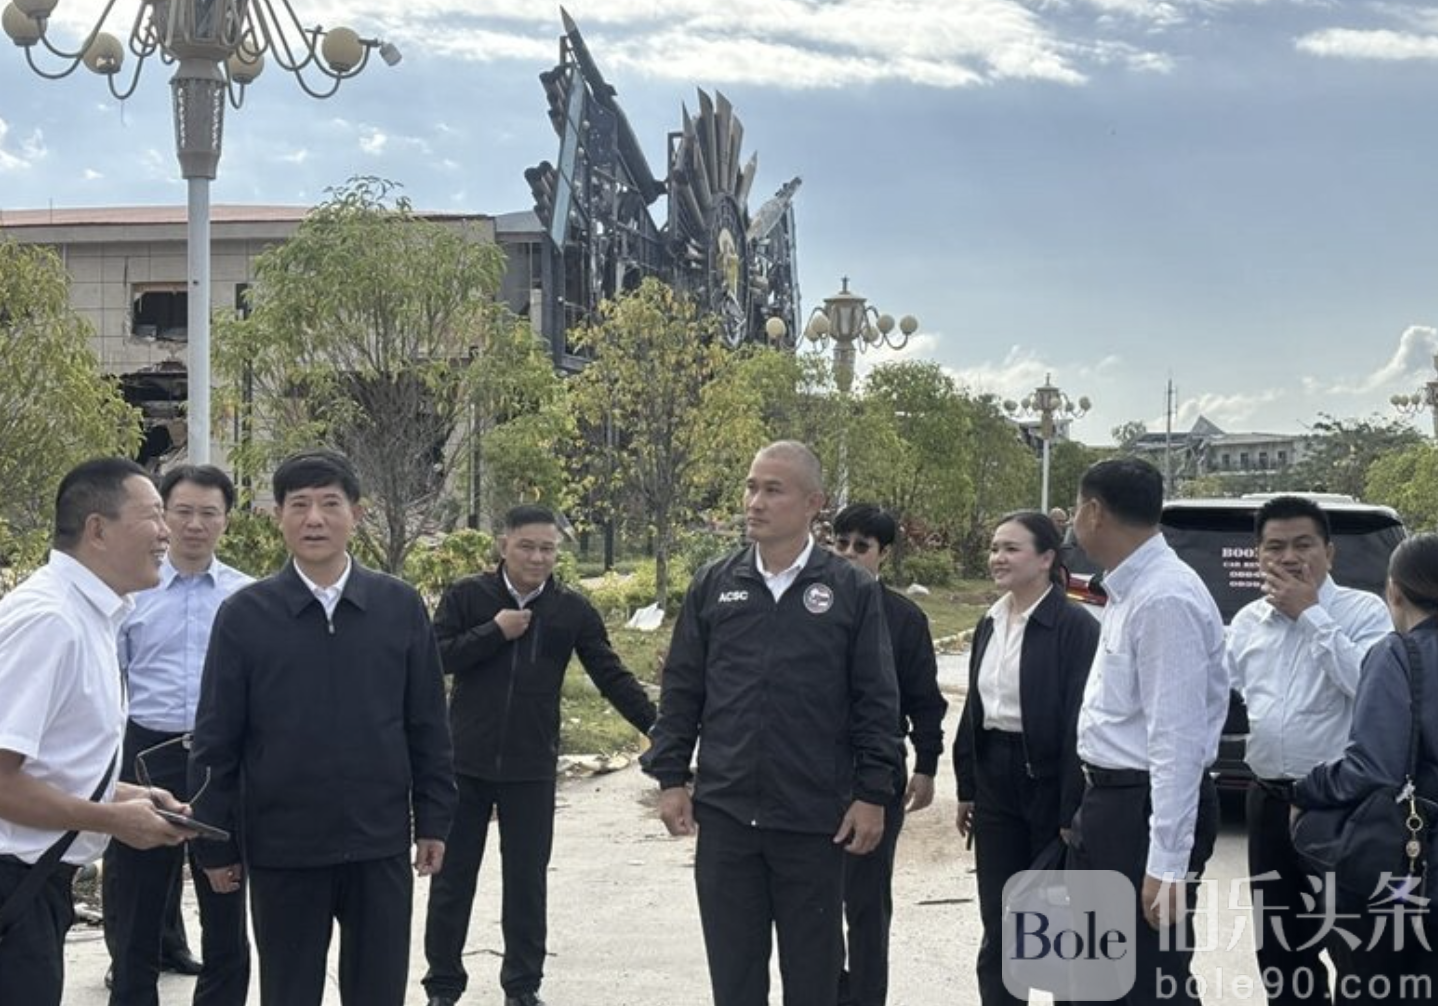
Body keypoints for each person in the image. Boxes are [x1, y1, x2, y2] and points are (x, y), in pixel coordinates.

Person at [187, 449, 456, 1006]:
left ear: (357, 513)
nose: (315, 519)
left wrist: (433, 819)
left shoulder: (399, 607)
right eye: (299, 504)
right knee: (288, 993)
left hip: (378, 843)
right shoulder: (245, 616)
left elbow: (428, 724)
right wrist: (215, 843)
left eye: (330, 504)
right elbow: (216, 740)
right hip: (283, 848)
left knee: (379, 992)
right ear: (277, 516)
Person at [642, 440, 902, 1006]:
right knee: (734, 980)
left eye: (772, 490)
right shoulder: (716, 582)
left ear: (813, 503)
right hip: (728, 815)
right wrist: (671, 779)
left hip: (814, 819)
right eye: (751, 487)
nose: (754, 502)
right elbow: (683, 689)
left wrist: (872, 794)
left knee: (813, 980)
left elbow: (876, 700)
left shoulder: (850, 589)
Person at [422, 504, 657, 1006]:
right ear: (503, 545)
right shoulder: (468, 596)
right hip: (463, 763)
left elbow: (610, 675)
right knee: (452, 880)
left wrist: (660, 729)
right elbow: (433, 657)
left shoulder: (571, 610)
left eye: (547, 548)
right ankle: (442, 985)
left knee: (526, 884)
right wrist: (495, 631)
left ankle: (522, 986)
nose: (537, 557)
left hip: (531, 767)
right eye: (526, 546)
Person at [0, 458, 196, 1006]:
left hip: (36, 885)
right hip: (13, 883)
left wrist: (130, 796)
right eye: (153, 515)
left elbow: (47, 766)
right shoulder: (50, 621)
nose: (167, 532)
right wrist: (112, 820)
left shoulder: (91, 617)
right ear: (97, 530)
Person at [1067, 457, 1228, 1006]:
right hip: (1111, 804)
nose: (1073, 522)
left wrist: (1166, 865)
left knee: (1145, 982)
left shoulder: (1164, 599)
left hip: (1140, 812)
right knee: (1095, 975)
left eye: (1076, 509)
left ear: (1094, 512)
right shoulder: (1129, 589)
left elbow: (1176, 743)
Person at [1227, 495, 1391, 1005]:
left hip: (1341, 807)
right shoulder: (1248, 622)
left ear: (1329, 553)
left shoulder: (1364, 612)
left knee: (1355, 948)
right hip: (1269, 800)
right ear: (1258, 556)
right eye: (1275, 547)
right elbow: (1227, 699)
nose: (1289, 558)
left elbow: (1371, 690)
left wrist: (1310, 615)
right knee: (1280, 952)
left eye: (1303, 545)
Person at [102, 464, 253, 1006]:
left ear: (226, 520)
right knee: (138, 896)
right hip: (148, 751)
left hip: (222, 759)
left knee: (225, 895)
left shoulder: (247, 597)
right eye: (183, 511)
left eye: (209, 513)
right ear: (163, 516)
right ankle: (134, 991)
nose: (195, 524)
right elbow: (109, 679)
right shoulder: (132, 593)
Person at [952, 510, 1099, 1005]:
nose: (998, 557)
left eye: (1011, 549)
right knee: (999, 920)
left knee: (1053, 925)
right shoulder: (990, 622)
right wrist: (967, 786)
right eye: (995, 548)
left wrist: (1070, 808)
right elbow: (975, 710)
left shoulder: (1074, 626)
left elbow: (1080, 721)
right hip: (996, 779)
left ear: (1046, 559)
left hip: (1049, 783)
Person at [1295, 533, 1438, 1004]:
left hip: (1414, 869)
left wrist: (1309, 787)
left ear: (1393, 591)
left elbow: (1373, 768)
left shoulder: (1398, 654)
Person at [828, 503, 948, 1006]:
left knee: (866, 903)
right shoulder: (810, 608)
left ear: (883, 554)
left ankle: (867, 996)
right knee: (813, 903)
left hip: (875, 773)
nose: (849, 554)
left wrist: (926, 765)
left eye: (862, 546)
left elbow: (925, 700)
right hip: (811, 772)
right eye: (842, 543)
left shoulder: (903, 618)